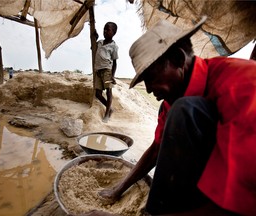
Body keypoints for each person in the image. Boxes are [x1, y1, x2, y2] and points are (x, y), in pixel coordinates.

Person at [79, 16, 256, 216]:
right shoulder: (170, 101)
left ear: (179, 60)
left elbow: (242, 203)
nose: (147, 90)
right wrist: (117, 190)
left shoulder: (242, 87)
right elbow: (157, 149)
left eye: (151, 77)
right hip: (209, 187)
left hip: (238, 200)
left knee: (184, 111)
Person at [94, 22, 118, 123]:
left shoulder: (114, 46)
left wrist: (112, 75)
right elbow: (93, 47)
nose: (105, 31)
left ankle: (107, 113)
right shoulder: (99, 43)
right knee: (98, 94)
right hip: (98, 71)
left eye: (108, 30)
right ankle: (110, 108)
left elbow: (115, 62)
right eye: (104, 29)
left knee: (108, 91)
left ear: (114, 32)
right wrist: (94, 37)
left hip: (107, 71)